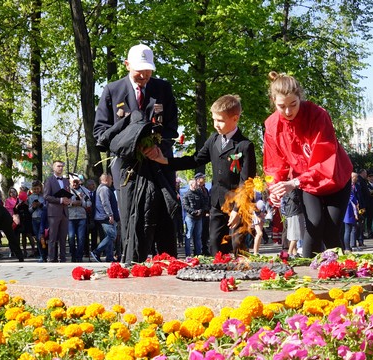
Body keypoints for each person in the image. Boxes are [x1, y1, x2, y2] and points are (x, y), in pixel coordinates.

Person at [94, 43, 180, 261]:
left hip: (158, 163)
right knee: (133, 217)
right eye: (139, 70)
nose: (143, 75)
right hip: (127, 169)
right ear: (126, 65)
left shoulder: (163, 89)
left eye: (148, 70)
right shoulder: (112, 91)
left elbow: (171, 126)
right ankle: (132, 261)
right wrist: (130, 141)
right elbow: (100, 131)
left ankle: (167, 262)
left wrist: (157, 147)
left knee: (163, 216)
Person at [264, 72, 352, 258]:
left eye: (293, 105)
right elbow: (274, 165)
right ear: (273, 101)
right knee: (313, 225)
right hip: (307, 184)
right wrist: (275, 188)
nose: (288, 112)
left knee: (331, 231)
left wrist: (294, 183)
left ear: (300, 98)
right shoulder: (272, 125)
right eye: (281, 106)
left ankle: (342, 272)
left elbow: (324, 161)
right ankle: (309, 277)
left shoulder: (318, 115)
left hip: (335, 179)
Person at [153, 94, 256, 255]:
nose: (216, 124)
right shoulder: (214, 139)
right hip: (216, 202)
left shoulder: (244, 146)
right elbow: (195, 159)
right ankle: (218, 277)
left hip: (237, 204)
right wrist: (165, 160)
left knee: (238, 246)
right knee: (214, 244)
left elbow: (247, 181)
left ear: (235, 118)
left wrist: (238, 209)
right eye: (214, 119)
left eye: (220, 120)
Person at [43, 160, 71, 262]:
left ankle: (62, 257)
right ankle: (51, 258)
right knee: (53, 237)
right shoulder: (49, 180)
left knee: (63, 237)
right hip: (53, 212)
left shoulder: (66, 181)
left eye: (62, 166)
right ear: (54, 168)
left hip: (64, 212)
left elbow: (68, 194)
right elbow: (46, 196)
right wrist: (60, 200)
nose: (61, 168)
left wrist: (69, 200)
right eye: (58, 166)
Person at [91, 173, 119, 262]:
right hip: (105, 216)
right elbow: (105, 203)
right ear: (106, 180)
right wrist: (110, 215)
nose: (112, 181)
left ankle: (109, 257)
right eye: (111, 179)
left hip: (104, 216)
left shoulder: (102, 188)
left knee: (109, 236)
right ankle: (96, 251)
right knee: (112, 235)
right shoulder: (104, 189)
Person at [181, 178, 209, 256]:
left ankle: (198, 254)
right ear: (191, 185)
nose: (197, 185)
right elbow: (185, 206)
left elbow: (204, 204)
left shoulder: (199, 194)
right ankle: (188, 255)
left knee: (198, 237)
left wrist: (201, 211)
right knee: (188, 237)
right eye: (195, 184)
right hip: (190, 218)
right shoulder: (186, 194)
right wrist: (194, 212)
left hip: (199, 218)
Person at [67, 175, 92, 262]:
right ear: (70, 181)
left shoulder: (84, 190)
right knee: (71, 237)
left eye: (76, 182)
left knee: (81, 238)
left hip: (82, 217)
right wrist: (72, 203)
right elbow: (63, 203)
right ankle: (73, 255)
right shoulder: (66, 190)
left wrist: (81, 202)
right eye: (73, 182)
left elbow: (89, 204)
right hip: (70, 217)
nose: (74, 183)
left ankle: (79, 256)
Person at [27, 180, 47, 262]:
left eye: (37, 189)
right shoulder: (31, 197)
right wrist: (34, 207)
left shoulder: (44, 196)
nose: (36, 190)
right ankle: (42, 255)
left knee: (43, 237)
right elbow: (29, 210)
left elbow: (47, 208)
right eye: (34, 189)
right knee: (38, 238)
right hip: (35, 219)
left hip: (43, 219)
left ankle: (46, 254)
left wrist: (41, 205)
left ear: (41, 188)